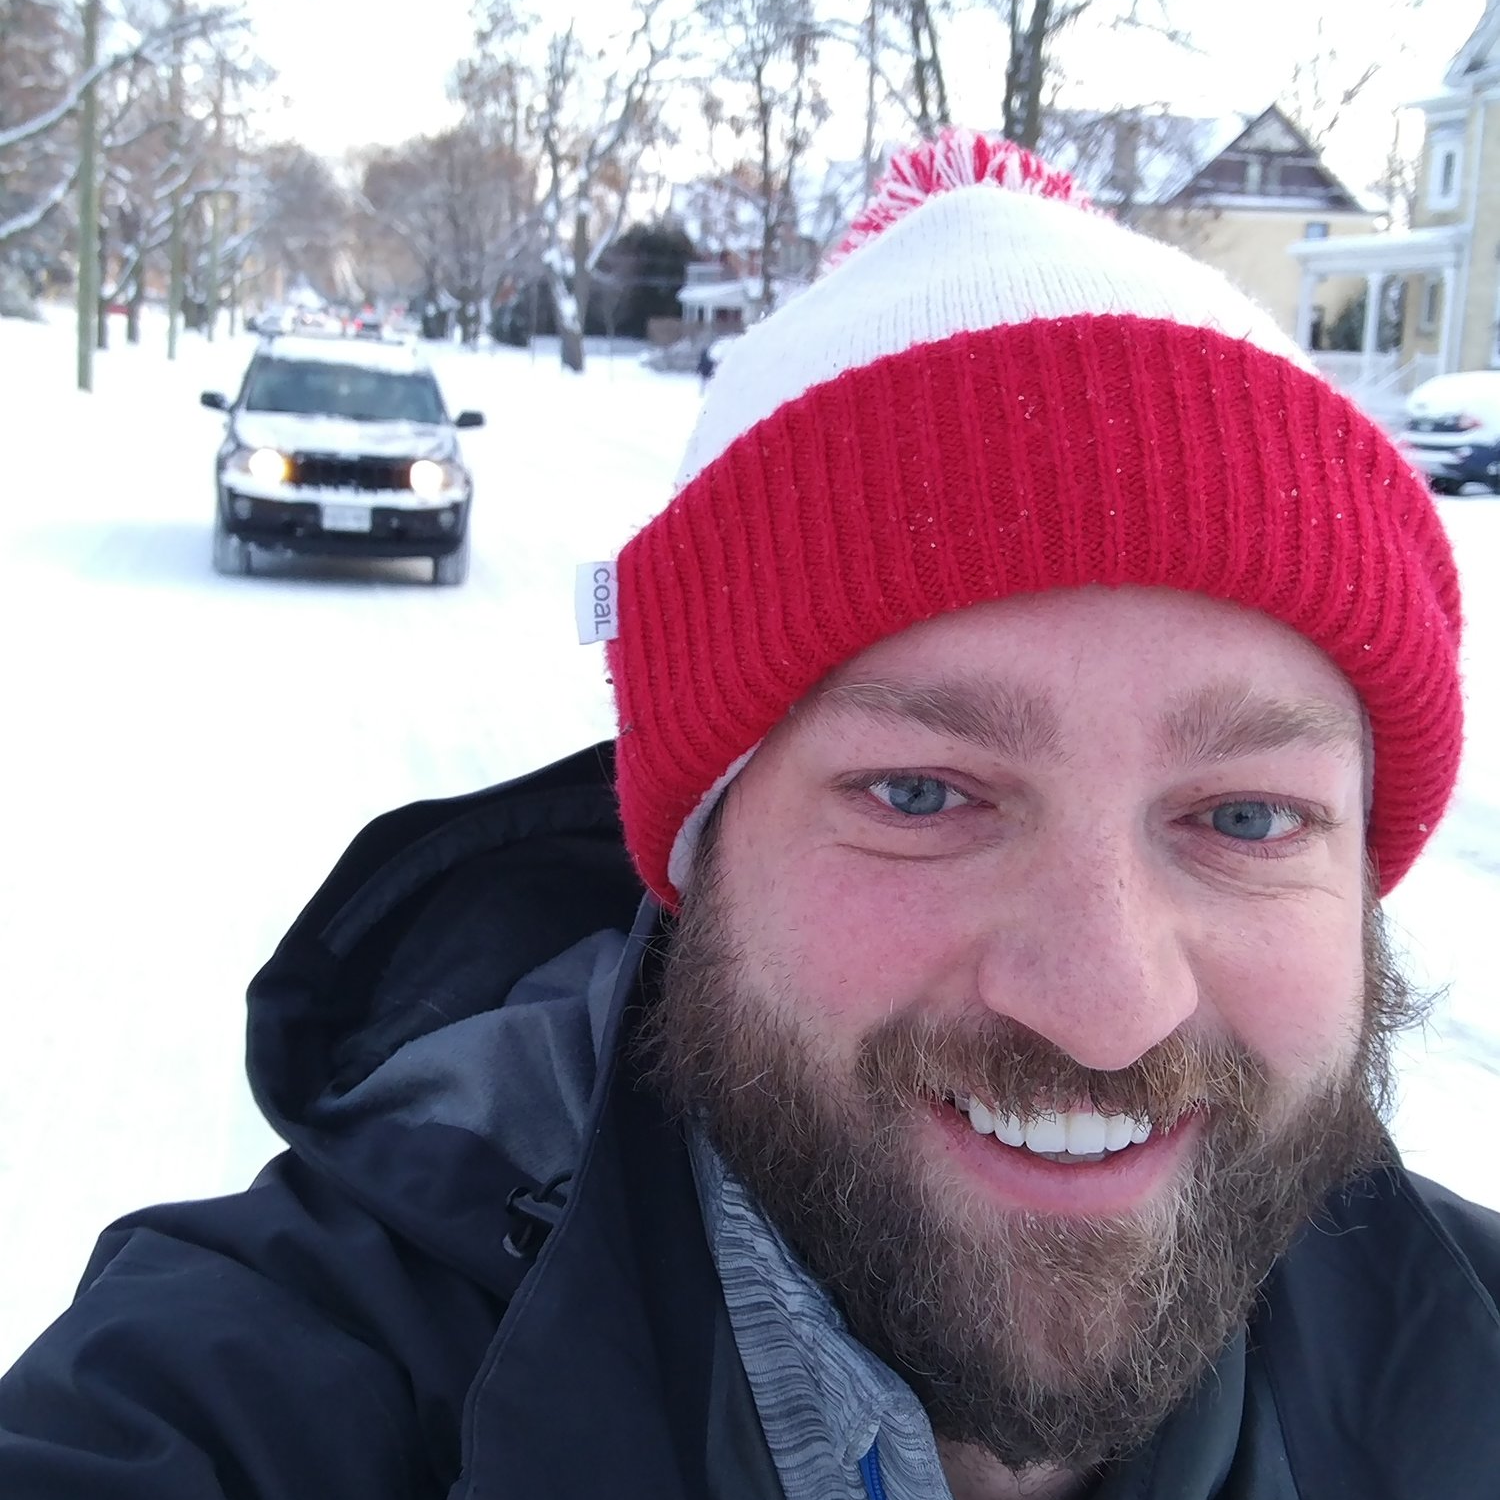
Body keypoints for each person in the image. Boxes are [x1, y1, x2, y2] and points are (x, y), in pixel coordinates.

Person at [2, 129, 1495, 1500]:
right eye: (921, 793)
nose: (1106, 1006)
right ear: (698, 861)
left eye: (1246, 819)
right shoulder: (252, 1389)